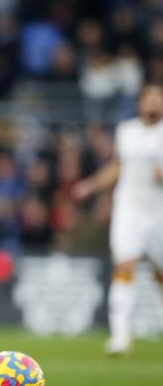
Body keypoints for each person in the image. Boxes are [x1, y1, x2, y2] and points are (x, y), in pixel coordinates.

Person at [73, 83, 163, 355]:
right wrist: (91, 185)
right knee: (124, 265)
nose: (153, 103)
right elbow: (118, 166)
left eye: (158, 99)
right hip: (129, 209)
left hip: (159, 212)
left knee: (160, 273)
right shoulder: (127, 131)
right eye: (149, 99)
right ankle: (121, 335)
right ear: (140, 103)